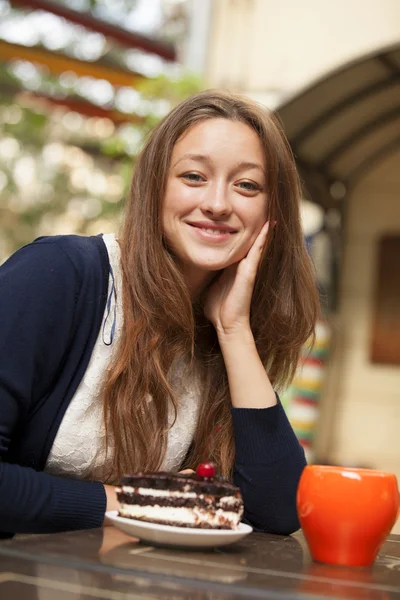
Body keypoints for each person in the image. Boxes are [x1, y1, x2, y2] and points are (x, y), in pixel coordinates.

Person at [0, 90, 320, 538]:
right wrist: (136, 502)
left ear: (272, 214)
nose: (217, 203)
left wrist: (233, 331)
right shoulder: (59, 275)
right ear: (155, 187)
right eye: (193, 176)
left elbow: (279, 510)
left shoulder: (223, 327)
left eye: (247, 185)